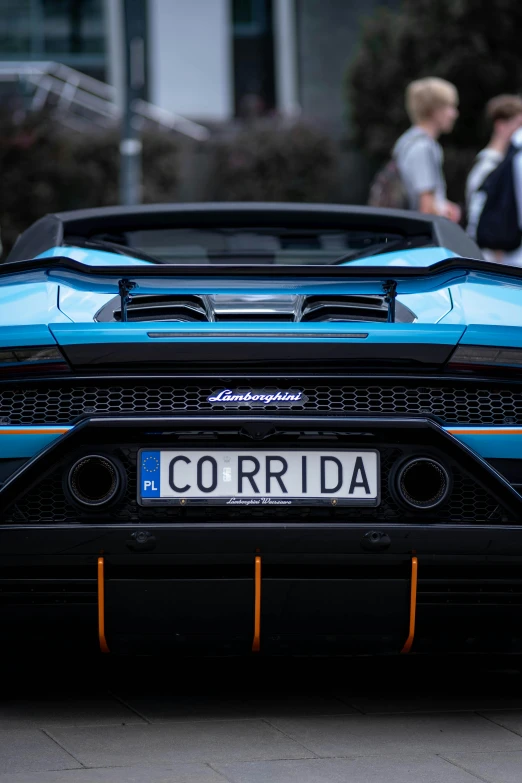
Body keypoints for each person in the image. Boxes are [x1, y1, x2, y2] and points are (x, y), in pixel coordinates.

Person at [393, 77, 460, 221]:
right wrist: (445, 213)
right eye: (449, 107)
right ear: (433, 110)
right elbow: (426, 208)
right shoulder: (422, 147)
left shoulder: (408, 142)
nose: (454, 114)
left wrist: (444, 206)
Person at [466, 94, 522, 254]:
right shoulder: (488, 164)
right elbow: (478, 209)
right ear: (500, 125)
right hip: (490, 254)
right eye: (518, 124)